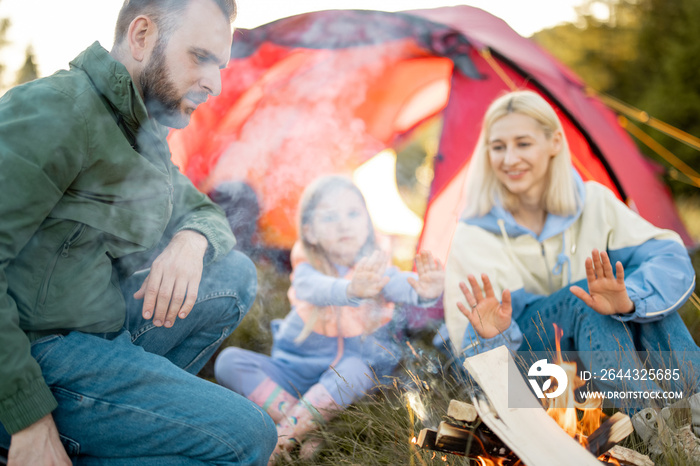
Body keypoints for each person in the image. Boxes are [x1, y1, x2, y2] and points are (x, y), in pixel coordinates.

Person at [0, 0, 277, 464]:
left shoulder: (143, 134)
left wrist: (192, 242)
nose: (215, 82)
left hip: (102, 334)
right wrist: (27, 418)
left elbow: (204, 212)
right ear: (142, 36)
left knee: (233, 276)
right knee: (248, 438)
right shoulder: (57, 110)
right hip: (36, 352)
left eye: (220, 65)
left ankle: (117, 432)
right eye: (200, 57)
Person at [443, 90, 700, 452]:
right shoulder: (473, 235)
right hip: (535, 373)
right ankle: (658, 426)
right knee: (585, 300)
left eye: (523, 143)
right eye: (497, 147)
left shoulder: (594, 201)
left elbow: (668, 256)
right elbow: (470, 356)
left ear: (554, 142)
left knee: (630, 301)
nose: (509, 158)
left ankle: (688, 417)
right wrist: (492, 336)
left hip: (596, 361)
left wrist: (629, 302)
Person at [214, 175, 445, 461]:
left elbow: (400, 285)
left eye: (352, 214)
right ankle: (305, 426)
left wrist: (424, 290)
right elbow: (315, 289)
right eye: (330, 217)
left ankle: (285, 435)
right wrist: (350, 289)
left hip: (341, 387)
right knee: (230, 362)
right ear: (310, 232)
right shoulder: (307, 268)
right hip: (292, 372)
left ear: (367, 223)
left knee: (358, 370)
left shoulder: (373, 268)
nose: (343, 224)